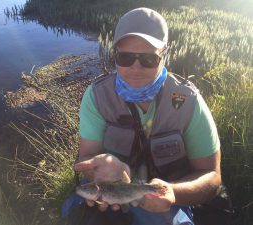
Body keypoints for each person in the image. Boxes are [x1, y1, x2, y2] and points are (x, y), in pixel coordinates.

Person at [70, 7, 221, 225]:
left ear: (165, 55)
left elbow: (211, 176)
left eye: (149, 59)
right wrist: (98, 173)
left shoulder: (189, 101)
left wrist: (172, 193)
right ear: (115, 55)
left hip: (168, 206)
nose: (136, 68)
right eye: (125, 57)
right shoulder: (97, 96)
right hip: (113, 198)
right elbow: (84, 159)